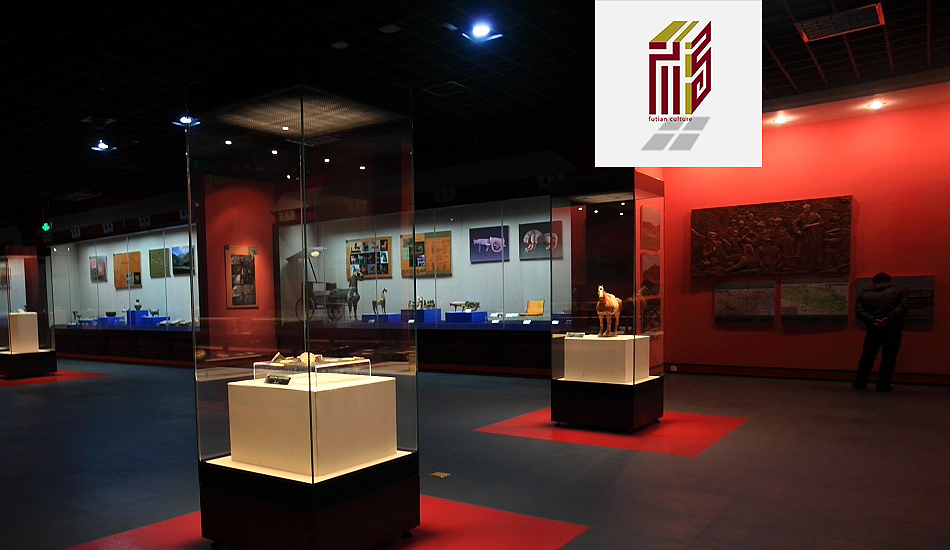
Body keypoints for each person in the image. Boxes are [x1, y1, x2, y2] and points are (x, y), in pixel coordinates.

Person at [854, 272, 908, 392]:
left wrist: (872, 320)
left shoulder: (864, 293)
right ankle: (883, 384)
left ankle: (861, 382)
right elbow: (903, 307)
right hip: (892, 327)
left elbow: (859, 311)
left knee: (867, 356)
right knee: (889, 357)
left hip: (873, 328)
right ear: (889, 281)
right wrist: (888, 318)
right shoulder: (899, 291)